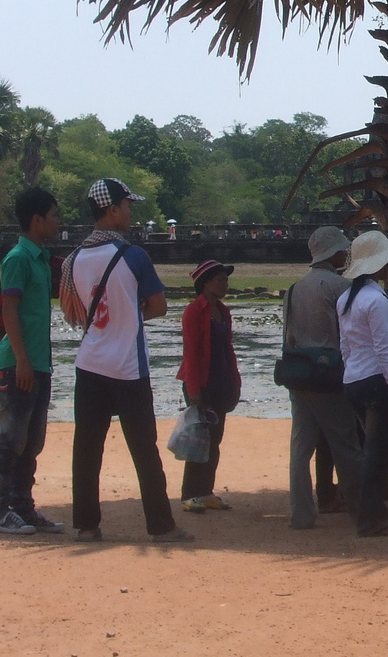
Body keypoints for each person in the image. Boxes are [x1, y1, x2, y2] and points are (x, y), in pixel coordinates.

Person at [60, 178, 189, 542]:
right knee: (144, 449)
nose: (131, 212)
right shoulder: (133, 256)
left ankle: (86, 525)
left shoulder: (74, 260)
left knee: (86, 447)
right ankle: (161, 526)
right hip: (128, 368)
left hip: (89, 364)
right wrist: (128, 316)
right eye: (127, 205)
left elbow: (74, 314)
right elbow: (159, 306)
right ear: (112, 209)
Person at [0, 187, 65, 535]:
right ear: (37, 219)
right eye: (54, 215)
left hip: (37, 364)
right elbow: (8, 309)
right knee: (11, 439)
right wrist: (21, 360)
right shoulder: (18, 258)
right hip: (19, 363)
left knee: (32, 441)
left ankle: (23, 507)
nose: (58, 222)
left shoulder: (41, 260)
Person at [283, 226, 364, 529]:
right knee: (346, 445)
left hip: (299, 375)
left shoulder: (294, 289)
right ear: (336, 253)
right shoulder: (339, 287)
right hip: (329, 375)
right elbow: (349, 333)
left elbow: (289, 337)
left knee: (300, 448)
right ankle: (361, 510)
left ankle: (301, 513)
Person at [338, 230, 388, 536]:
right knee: (377, 454)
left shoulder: (346, 299)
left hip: (353, 379)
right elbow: (384, 350)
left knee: (370, 450)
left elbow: (345, 346)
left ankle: (370, 511)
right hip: (375, 381)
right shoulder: (377, 300)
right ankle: (370, 518)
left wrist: (350, 372)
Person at [176, 260, 243, 513]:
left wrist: (235, 381)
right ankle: (189, 494)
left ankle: (205, 491)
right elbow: (191, 353)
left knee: (214, 440)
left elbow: (228, 349)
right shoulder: (194, 311)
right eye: (220, 280)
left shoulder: (223, 311)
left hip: (220, 380)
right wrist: (194, 390)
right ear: (205, 284)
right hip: (201, 383)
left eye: (226, 280)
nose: (225, 284)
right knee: (198, 440)